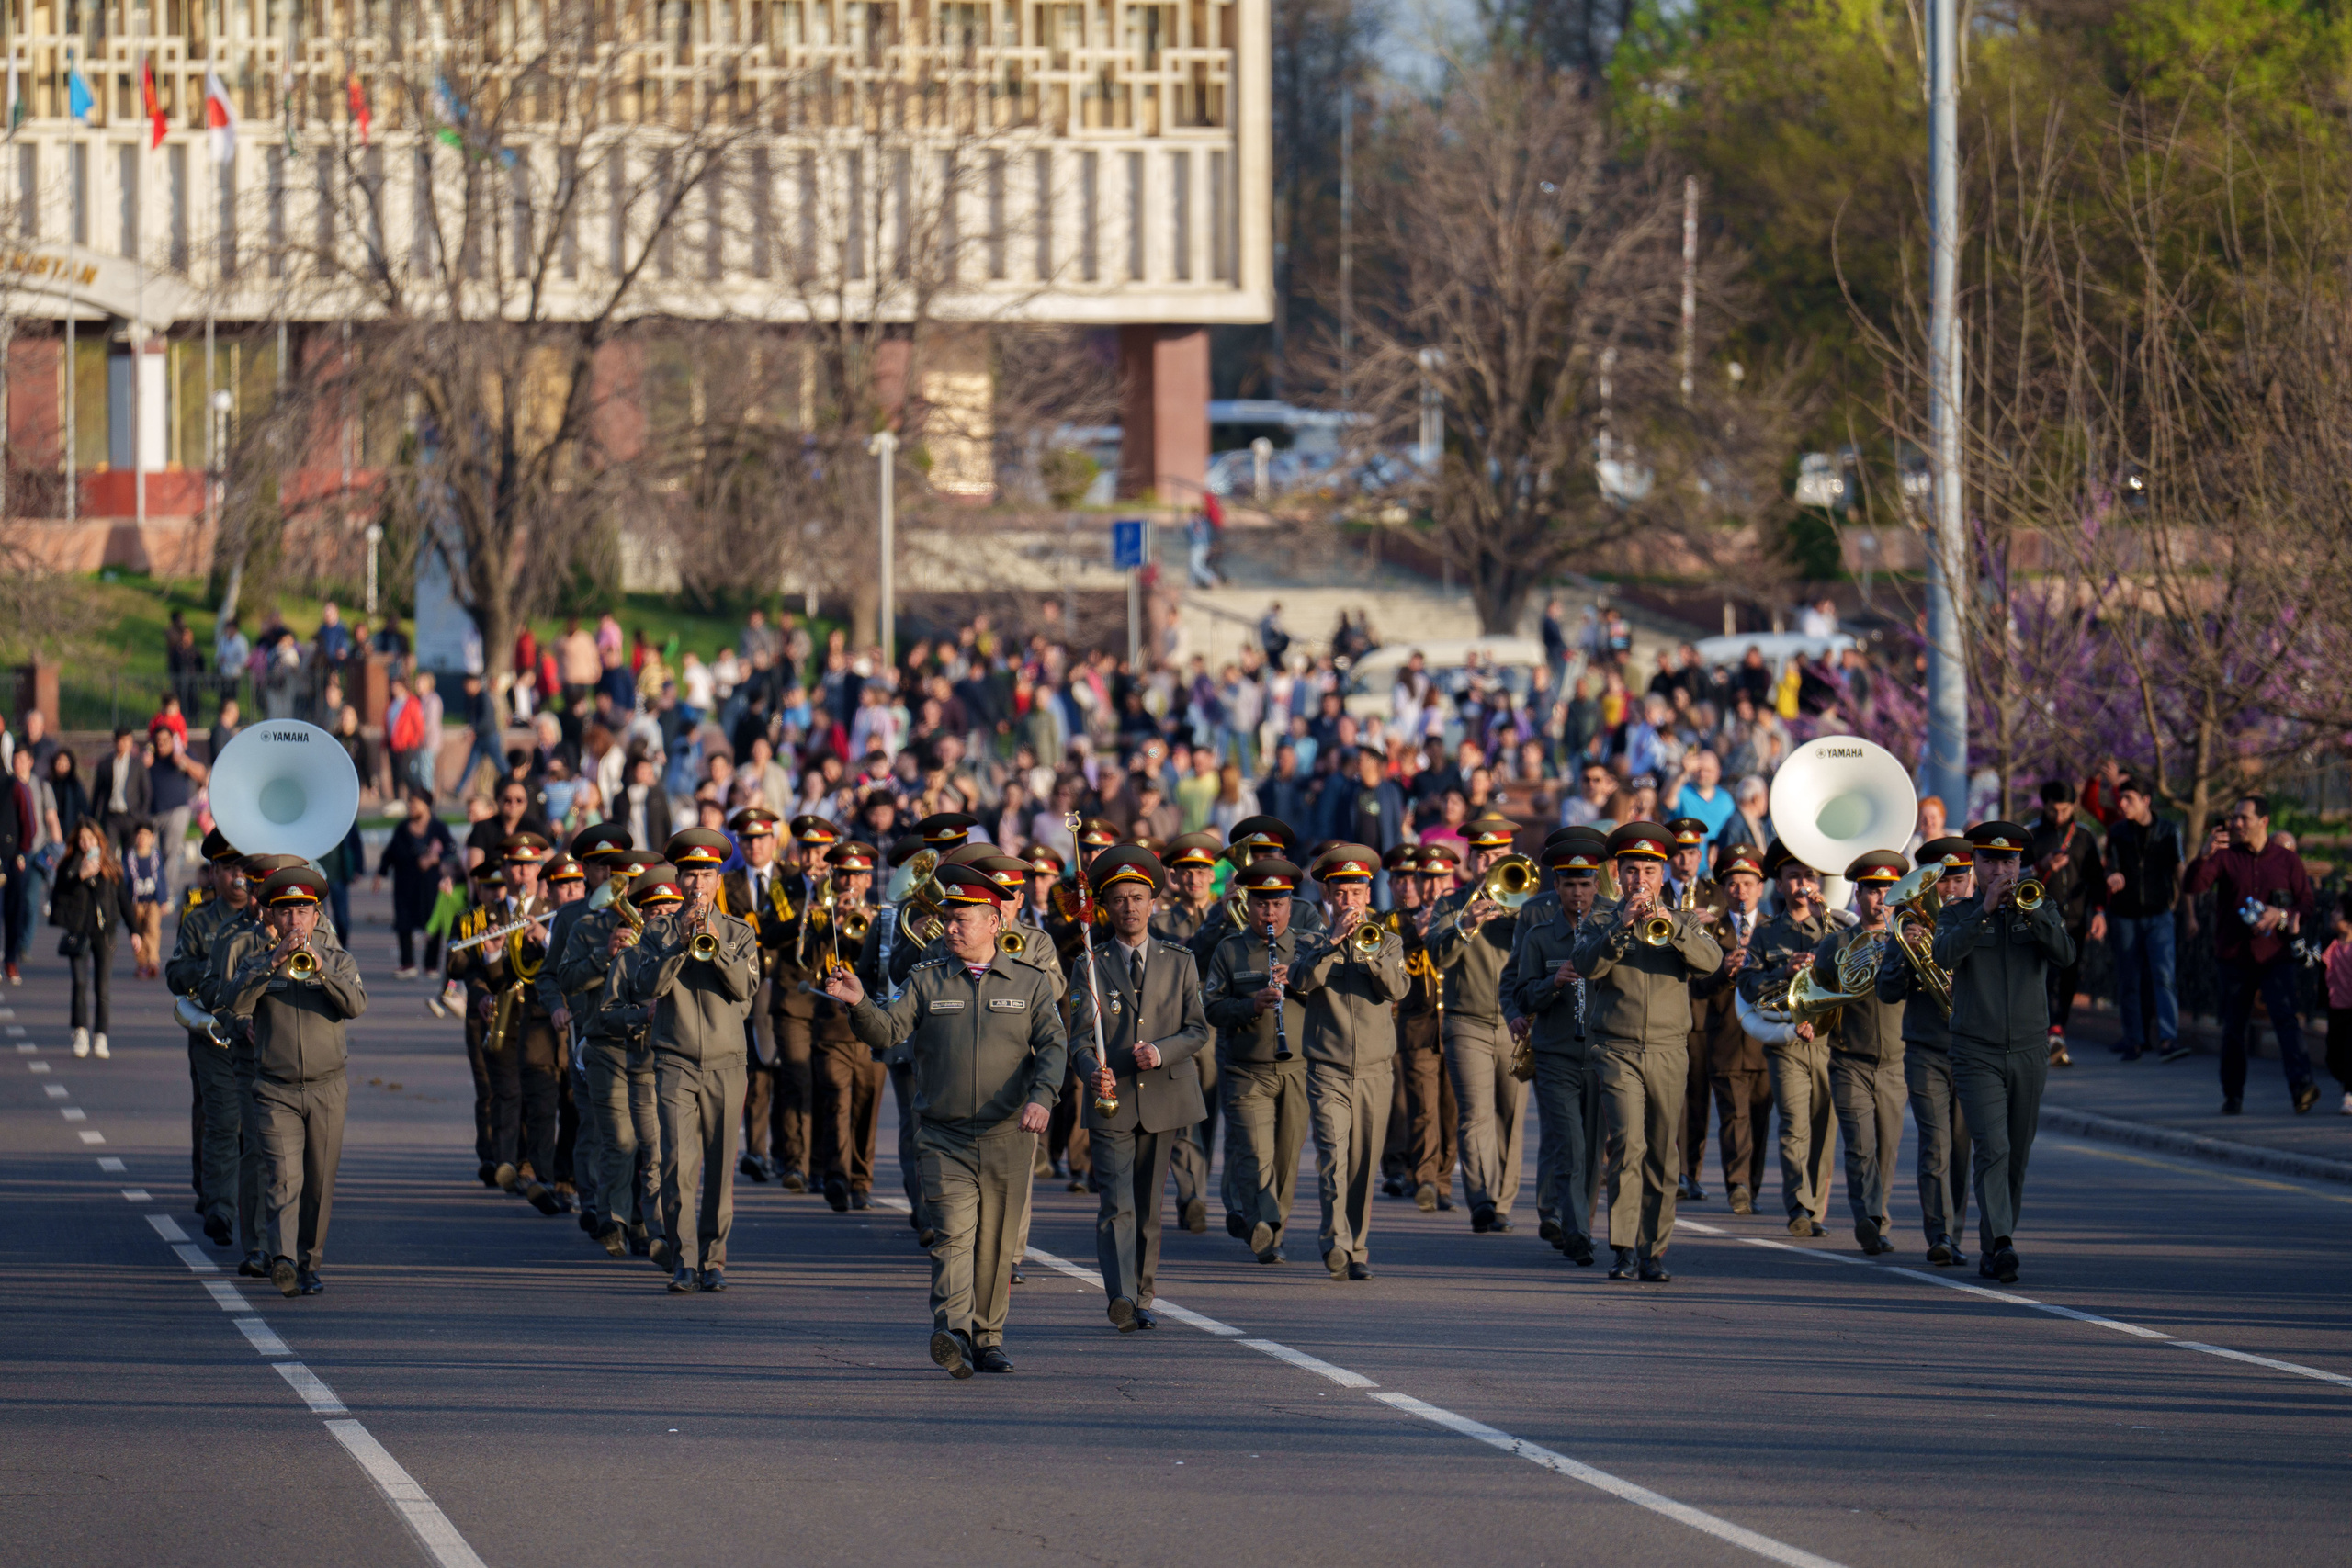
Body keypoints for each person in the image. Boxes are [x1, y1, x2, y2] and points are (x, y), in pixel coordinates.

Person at [831, 865, 1067, 1378]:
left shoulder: (1028, 983)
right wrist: (859, 1003)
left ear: (991, 920)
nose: (950, 930)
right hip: (942, 1134)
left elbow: (1053, 1045)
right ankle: (953, 1330)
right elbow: (889, 1031)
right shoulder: (927, 979)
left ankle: (988, 1339)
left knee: (997, 1242)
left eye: (961, 921)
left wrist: (1043, 1098)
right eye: (947, 921)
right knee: (954, 1236)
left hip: (1009, 1134)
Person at [1570, 821, 1724, 1280]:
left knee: (1662, 1152)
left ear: (1663, 876)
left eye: (1650, 871)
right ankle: (1623, 1248)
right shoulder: (1600, 920)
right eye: (1632, 871)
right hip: (1616, 1049)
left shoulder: (1686, 919)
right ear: (1619, 875)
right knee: (1627, 1145)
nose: (1641, 880)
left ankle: (1653, 1249)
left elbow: (1711, 963)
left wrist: (1674, 928)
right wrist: (1622, 926)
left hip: (1668, 1048)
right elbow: (1585, 965)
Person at [1069, 845, 1210, 1325]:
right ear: (1105, 908)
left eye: (1138, 897)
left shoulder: (1180, 961)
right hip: (1112, 1098)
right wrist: (1091, 1069)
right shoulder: (1089, 961)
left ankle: (1143, 1293)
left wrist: (1161, 1050)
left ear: (1153, 903)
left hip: (1164, 1097)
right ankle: (1121, 1296)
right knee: (1116, 1203)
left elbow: (1197, 1030)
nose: (1129, 907)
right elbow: (1079, 1039)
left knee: (1149, 1205)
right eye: (1119, 899)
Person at [619, 829, 761, 1291]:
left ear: (719, 879)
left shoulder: (739, 932)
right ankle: (684, 1259)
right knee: (679, 1162)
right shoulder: (658, 931)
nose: (698, 884)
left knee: (721, 1165)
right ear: (678, 880)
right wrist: (680, 944)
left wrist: (716, 946)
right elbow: (646, 988)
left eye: (706, 874)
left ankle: (715, 1259)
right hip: (676, 1059)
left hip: (727, 1062)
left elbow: (746, 990)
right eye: (690, 875)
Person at [1933, 820, 2075, 1282]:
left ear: (2020, 865)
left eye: (2008, 861)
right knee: (1992, 1148)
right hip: (1976, 1050)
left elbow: (2066, 955)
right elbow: (1945, 956)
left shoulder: (2039, 905)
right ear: (1974, 864)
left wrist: (2032, 915)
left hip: (2030, 1049)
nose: (1999, 869)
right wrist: (1985, 913)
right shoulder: (1957, 913)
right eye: (1990, 860)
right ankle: (2004, 1242)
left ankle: (1994, 1241)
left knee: (2016, 1154)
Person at [220, 865, 368, 1297]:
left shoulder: (338, 958)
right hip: (276, 1087)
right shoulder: (257, 961)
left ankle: (309, 1262)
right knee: (284, 1177)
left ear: (317, 915)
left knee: (319, 1182)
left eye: (303, 911)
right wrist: (271, 963)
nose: (295, 921)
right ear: (271, 917)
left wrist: (321, 969)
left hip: (327, 1087)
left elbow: (356, 1004)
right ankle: (282, 1259)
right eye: (286, 912)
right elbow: (233, 1001)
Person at [1284, 843, 1408, 1280]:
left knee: (1363, 1165)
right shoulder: (1311, 940)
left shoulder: (1388, 940)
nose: (1349, 901)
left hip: (1376, 1070)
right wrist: (1334, 942)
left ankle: (1358, 1247)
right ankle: (1334, 1241)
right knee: (1334, 1158)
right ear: (1328, 896)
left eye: (1356, 892)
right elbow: (1300, 981)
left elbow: (1398, 990)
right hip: (1328, 1068)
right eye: (1341, 892)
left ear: (1368, 895)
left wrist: (1370, 956)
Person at [1202, 856, 1314, 1264]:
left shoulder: (1307, 945)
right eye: (1262, 904)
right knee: (1253, 1151)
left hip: (1298, 1067)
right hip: (1246, 1068)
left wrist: (1298, 982)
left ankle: (1273, 1228)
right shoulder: (1230, 949)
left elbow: (1328, 997)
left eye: (1278, 904)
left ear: (1290, 904)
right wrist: (1251, 1004)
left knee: (1286, 1157)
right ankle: (1262, 1221)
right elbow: (1211, 1007)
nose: (1270, 913)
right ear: (1249, 905)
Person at [2184, 795, 2320, 1112]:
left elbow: (2308, 903)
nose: (2236, 824)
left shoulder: (2287, 861)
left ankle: (2302, 1087)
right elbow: (2194, 886)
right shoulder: (2225, 857)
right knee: (2234, 1028)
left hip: (2275, 956)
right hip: (2235, 956)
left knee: (2286, 1020)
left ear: (2263, 821)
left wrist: (2282, 916)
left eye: (2244, 818)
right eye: (2234, 818)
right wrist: (2203, 856)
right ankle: (2233, 1094)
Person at [1512, 831, 1611, 1265]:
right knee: (1569, 1143)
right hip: (1555, 1056)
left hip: (1602, 1053)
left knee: (1593, 1149)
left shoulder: (1612, 929)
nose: (1578, 893)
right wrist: (1551, 984)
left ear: (1596, 886)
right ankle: (1577, 1232)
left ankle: (1580, 1222)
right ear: (1557, 887)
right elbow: (1521, 994)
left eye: (1586, 884)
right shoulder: (1539, 935)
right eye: (1569, 884)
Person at [1425, 815, 1528, 1234]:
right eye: (1482, 854)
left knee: (1511, 1115)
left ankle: (1502, 1202)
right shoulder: (1450, 905)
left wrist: (1516, 914)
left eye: (1498, 854)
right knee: (1475, 1115)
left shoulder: (1527, 901)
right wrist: (1467, 925)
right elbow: (1437, 954)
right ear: (1471, 859)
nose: (1489, 861)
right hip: (1465, 1021)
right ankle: (1482, 1199)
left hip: (1514, 1023)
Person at [1880, 836, 1975, 1265]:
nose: (1951, 889)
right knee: (1935, 1143)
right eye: (1941, 881)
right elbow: (1886, 991)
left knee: (1961, 1147)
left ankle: (1953, 1233)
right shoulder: (1906, 924)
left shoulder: (1981, 920)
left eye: (1958, 879)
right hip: (1925, 1048)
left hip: (1971, 1049)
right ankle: (1938, 1234)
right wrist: (1904, 956)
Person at [1736, 842, 1838, 1237]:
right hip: (1785, 1042)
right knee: (1794, 1124)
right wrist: (1784, 975)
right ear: (1779, 884)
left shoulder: (1834, 928)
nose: (1802, 884)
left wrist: (1825, 935)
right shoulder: (1765, 933)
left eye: (1809, 876)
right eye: (1793, 876)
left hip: (1826, 1041)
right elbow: (1747, 984)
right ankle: (1798, 1203)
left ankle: (1815, 1208)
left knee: (1823, 1126)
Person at [1817, 852, 1909, 1255]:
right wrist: (1808, 1021)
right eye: (1873, 889)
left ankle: (1879, 1217)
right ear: (1858, 893)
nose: (1881, 897)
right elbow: (1815, 997)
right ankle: (1868, 1219)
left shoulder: (1909, 940)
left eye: (1888, 888)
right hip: (1849, 1060)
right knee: (1859, 1146)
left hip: (1895, 1061)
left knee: (1887, 1148)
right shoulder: (1836, 943)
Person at [166, 830, 251, 1247]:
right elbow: (175, 974)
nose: (238, 876)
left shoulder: (264, 918)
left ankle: (239, 1199)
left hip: (256, 1036)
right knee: (220, 1117)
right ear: (214, 873)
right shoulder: (198, 919)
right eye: (229, 868)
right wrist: (212, 973)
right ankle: (220, 1207)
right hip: (213, 1035)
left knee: (251, 1125)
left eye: (243, 867)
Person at [1149, 830, 1225, 1234]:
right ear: (1175, 876)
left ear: (1212, 874)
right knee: (1183, 1113)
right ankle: (1190, 1192)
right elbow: (1183, 956)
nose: (1194, 878)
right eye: (1186, 871)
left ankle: (1198, 1185)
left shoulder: (1233, 914)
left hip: (1216, 1023)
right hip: (1178, 1024)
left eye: (1202, 870)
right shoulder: (1159, 922)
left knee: (1209, 1112)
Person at [1691, 845, 1770, 1214]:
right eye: (1733, 884)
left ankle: (1751, 1185)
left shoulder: (1774, 929)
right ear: (1723, 889)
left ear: (1761, 887)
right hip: (1724, 1037)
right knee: (1733, 1117)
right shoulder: (1711, 930)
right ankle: (1737, 1185)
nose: (1740, 891)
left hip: (1766, 1040)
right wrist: (1723, 970)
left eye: (1748, 883)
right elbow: (1697, 987)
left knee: (1758, 1117)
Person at [2100, 776, 2182, 1062]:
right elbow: (2109, 865)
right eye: (2121, 799)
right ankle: (2134, 1039)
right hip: (2125, 914)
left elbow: (2178, 869)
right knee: (2129, 978)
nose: (2122, 805)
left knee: (2164, 976)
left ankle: (2168, 1038)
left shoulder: (2168, 830)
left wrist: (2183, 905)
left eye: (2129, 799)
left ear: (2146, 800)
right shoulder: (2118, 831)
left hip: (2159, 913)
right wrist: (2112, 876)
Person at [2027, 779, 2103, 1067]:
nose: (2058, 816)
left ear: (2073, 807)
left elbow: (2095, 878)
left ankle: (2059, 1031)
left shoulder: (2084, 836)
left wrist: (2099, 912)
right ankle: (2050, 1032)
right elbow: (2018, 875)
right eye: (2052, 810)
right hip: (2042, 919)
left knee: (2070, 977)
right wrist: (2041, 866)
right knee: (2046, 978)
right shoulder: (2032, 835)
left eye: (2064, 810)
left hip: (2075, 919)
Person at [52, 819, 131, 1060]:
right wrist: (79, 876)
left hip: (105, 933)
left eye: (90, 839)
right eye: (82, 840)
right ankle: (80, 1032)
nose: (86, 844)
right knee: (79, 983)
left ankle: (101, 1035)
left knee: (102, 987)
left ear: (99, 841)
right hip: (79, 932)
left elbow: (123, 900)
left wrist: (135, 931)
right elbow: (59, 893)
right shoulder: (70, 864)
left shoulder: (110, 865)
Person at [377, 790, 459, 978]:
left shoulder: (438, 827)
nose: (410, 807)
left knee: (432, 922)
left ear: (426, 805)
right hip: (405, 883)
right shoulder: (403, 828)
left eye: (414, 803)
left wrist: (435, 858)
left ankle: (431, 965)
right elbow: (390, 852)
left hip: (431, 884)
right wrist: (380, 874)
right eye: (409, 803)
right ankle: (407, 963)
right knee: (403, 922)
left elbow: (451, 851)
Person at [91, 728, 153, 859]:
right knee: (109, 853)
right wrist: (93, 817)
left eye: (127, 741)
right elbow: (97, 792)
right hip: (111, 816)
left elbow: (146, 792)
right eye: (121, 740)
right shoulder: (105, 764)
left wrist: (141, 815)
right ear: (115, 742)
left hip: (131, 815)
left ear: (131, 743)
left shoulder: (137, 764)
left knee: (130, 854)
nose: (123, 744)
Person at [124, 822, 166, 979]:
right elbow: (125, 879)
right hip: (135, 902)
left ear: (152, 838)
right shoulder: (129, 856)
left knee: (152, 929)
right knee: (138, 933)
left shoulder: (155, 856)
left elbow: (161, 878)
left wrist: (163, 900)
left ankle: (153, 961)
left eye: (146, 836)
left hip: (153, 901)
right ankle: (142, 964)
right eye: (139, 835)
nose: (142, 839)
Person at [2323, 895, 2352, 1117]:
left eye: (2338, 911)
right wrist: (2292, 933)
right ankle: (2346, 1084)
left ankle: (2349, 1094)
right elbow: (2307, 958)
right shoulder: (2329, 945)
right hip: (2336, 1007)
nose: (2333, 914)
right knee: (2334, 1056)